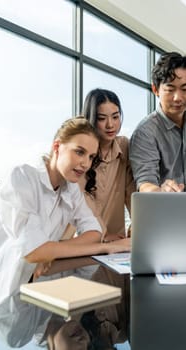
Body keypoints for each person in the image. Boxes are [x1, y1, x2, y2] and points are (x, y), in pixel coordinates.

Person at [0, 117, 131, 320]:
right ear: (57, 147)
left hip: (32, 288)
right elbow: (34, 251)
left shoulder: (71, 188)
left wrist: (50, 251)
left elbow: (94, 233)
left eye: (91, 157)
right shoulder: (21, 177)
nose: (85, 163)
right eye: (79, 152)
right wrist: (105, 248)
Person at [63, 89, 135, 242]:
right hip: (83, 241)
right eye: (102, 118)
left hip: (118, 243)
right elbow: (82, 201)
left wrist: (138, 224)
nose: (110, 125)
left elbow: (131, 191)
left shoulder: (124, 146)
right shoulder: (82, 155)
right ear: (92, 119)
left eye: (115, 117)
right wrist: (102, 236)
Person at [129, 52, 186, 192]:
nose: (178, 97)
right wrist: (161, 191)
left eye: (185, 89)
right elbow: (145, 183)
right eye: (170, 89)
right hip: (160, 207)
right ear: (155, 89)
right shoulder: (145, 133)